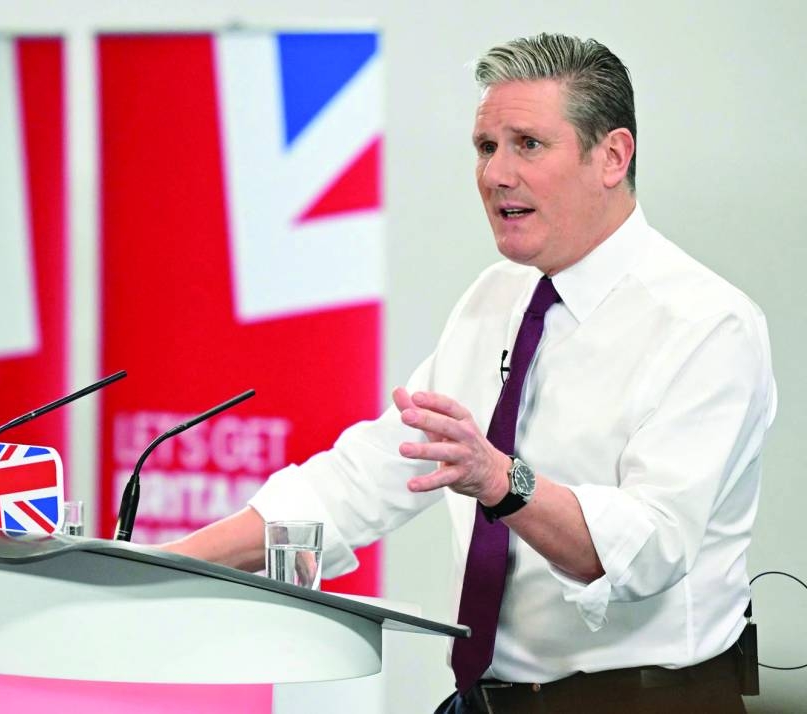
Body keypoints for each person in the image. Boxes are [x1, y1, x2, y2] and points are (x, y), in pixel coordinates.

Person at [163, 33, 776, 713]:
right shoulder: (494, 299)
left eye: (528, 145)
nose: (496, 174)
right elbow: (362, 480)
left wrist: (501, 481)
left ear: (612, 156)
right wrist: (163, 566)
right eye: (487, 147)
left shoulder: (707, 323)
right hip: (485, 700)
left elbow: (651, 547)